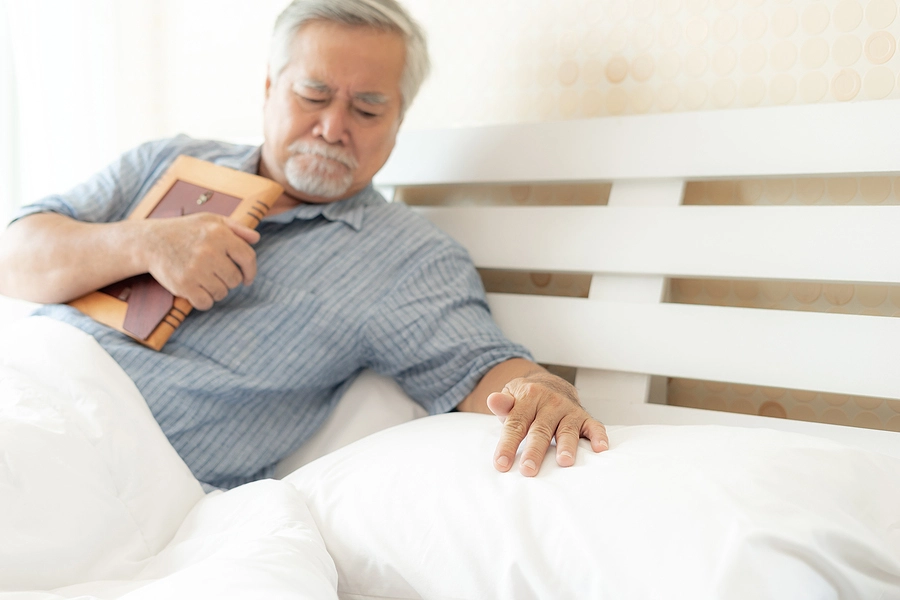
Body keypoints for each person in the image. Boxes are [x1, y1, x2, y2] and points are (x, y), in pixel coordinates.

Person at [0, 0, 608, 490]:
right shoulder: (169, 159)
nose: (332, 127)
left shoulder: (407, 258)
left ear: (399, 120)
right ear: (270, 86)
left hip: (111, 466)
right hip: (25, 378)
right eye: (313, 95)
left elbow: (482, 367)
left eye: (368, 108)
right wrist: (143, 243)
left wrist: (543, 394)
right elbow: (12, 258)